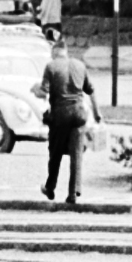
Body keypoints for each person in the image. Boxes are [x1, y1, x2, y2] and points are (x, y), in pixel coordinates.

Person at [39, 41, 97, 205]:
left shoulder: (51, 66)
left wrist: (37, 91)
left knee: (55, 152)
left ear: (55, 52)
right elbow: (91, 91)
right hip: (79, 113)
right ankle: (73, 192)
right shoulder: (80, 65)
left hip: (61, 114)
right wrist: (98, 114)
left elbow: (44, 90)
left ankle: (50, 187)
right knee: (76, 154)